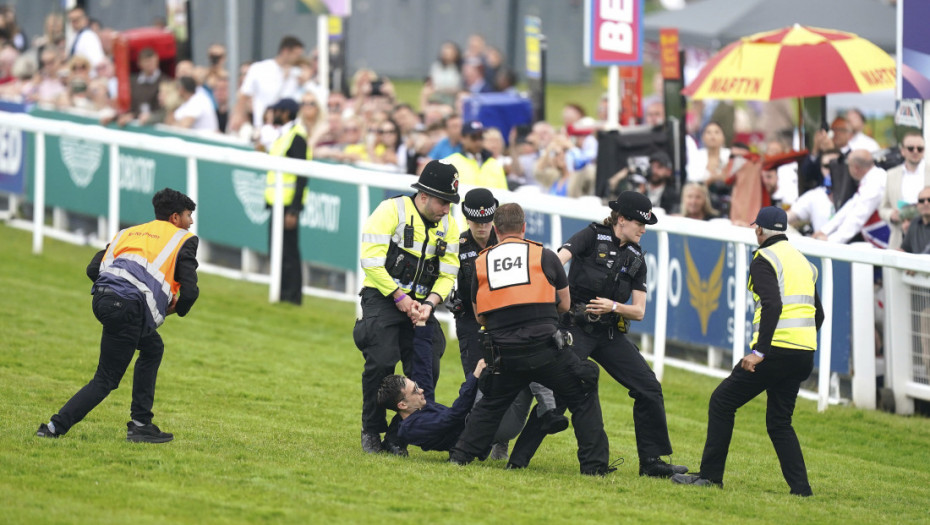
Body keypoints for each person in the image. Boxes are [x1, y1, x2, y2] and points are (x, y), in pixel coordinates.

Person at [505, 192, 688, 478]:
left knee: (649, 387)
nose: (643, 229)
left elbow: (638, 311)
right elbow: (555, 260)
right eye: (639, 222)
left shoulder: (638, 258)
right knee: (563, 390)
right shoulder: (591, 235)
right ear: (622, 219)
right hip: (575, 328)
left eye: (646, 224)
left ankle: (652, 462)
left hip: (609, 334)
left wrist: (613, 306)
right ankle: (518, 459)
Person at [447, 203, 612, 476]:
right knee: (583, 387)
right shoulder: (545, 256)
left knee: (491, 402)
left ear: (496, 232)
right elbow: (565, 304)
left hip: (503, 353)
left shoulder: (481, 262)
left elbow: (480, 317)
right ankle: (594, 466)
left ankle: (461, 455)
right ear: (524, 228)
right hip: (545, 349)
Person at [672, 206, 824, 496]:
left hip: (775, 351)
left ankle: (710, 477)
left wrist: (760, 352)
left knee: (722, 401)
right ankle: (801, 489)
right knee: (780, 422)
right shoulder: (805, 263)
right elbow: (819, 315)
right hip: (803, 353)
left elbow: (773, 305)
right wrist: (800, 344)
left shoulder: (763, 258)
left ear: (759, 230)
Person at [37, 188, 200, 442]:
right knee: (105, 380)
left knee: (153, 347)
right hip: (127, 309)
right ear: (175, 218)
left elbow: (93, 268)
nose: (191, 222)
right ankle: (53, 427)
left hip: (103, 299)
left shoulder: (130, 232)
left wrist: (115, 293)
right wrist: (177, 308)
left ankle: (141, 423)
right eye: (189, 215)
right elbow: (189, 292)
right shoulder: (183, 238)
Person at [354, 160, 461, 455]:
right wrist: (400, 297)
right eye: (443, 202)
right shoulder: (391, 211)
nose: (446, 210)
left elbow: (448, 273)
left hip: (421, 307)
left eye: (451, 204)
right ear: (424, 196)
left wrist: (430, 304)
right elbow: (371, 262)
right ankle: (372, 430)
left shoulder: (450, 225)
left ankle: (399, 437)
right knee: (381, 361)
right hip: (384, 298)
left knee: (427, 367)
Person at [452, 188, 567, 459]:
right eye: (476, 222)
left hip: (503, 322)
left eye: (486, 221)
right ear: (466, 219)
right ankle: (476, 436)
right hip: (472, 322)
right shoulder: (456, 247)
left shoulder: (508, 241)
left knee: (516, 377)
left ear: (495, 220)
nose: (482, 227)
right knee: (478, 380)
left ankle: (500, 440)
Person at [378, 322, 487, 452]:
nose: (421, 390)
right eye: (415, 390)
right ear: (402, 405)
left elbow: (422, 366)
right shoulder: (413, 428)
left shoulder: (418, 408)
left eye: (416, 386)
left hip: (479, 423)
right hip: (484, 429)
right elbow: (454, 415)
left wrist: (421, 327)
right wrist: (474, 376)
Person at [264, 93, 321, 305]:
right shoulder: (283, 134)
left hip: (287, 204)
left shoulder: (296, 136)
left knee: (288, 252)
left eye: (276, 111)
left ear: (286, 113)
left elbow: (301, 175)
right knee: (278, 250)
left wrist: (294, 210)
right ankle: (281, 292)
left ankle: (292, 296)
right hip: (277, 202)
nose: (272, 114)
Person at [229, 35, 304, 134]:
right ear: (285, 51)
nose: (298, 59)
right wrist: (237, 117)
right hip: (262, 127)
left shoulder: (298, 74)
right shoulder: (259, 69)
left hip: (288, 130)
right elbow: (244, 95)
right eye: (296, 55)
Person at [813, 150, 887, 244]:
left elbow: (857, 218)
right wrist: (824, 230)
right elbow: (850, 206)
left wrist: (831, 242)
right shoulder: (871, 178)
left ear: (855, 167)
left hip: (886, 243)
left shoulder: (876, 183)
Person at [879, 131, 930, 250]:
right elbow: (883, 208)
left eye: (920, 148)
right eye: (911, 148)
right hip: (899, 236)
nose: (915, 152)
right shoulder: (892, 174)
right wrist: (892, 215)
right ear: (903, 151)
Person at [444, 121, 507, 190]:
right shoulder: (451, 162)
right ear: (462, 138)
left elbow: (504, 194)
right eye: (474, 137)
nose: (478, 142)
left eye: (481, 137)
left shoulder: (494, 164)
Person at [66, 6, 104, 72]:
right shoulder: (74, 37)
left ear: (85, 19)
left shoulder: (89, 36)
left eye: (77, 19)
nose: (75, 23)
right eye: (72, 20)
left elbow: (96, 62)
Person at [902, 186, 930, 254]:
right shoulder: (914, 223)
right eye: (921, 201)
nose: (925, 203)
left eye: (929, 200)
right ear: (917, 204)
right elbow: (904, 250)